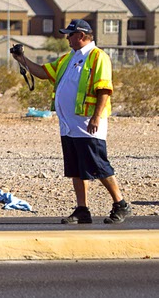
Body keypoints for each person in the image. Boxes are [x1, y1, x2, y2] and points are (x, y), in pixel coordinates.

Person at [11, 19, 131, 224]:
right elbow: (42, 72)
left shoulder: (98, 57)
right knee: (76, 167)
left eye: (70, 34)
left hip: (88, 123)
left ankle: (120, 203)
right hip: (69, 125)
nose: (67, 38)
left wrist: (95, 116)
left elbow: (104, 89)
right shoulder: (69, 58)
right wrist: (22, 59)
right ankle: (82, 209)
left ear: (82, 36)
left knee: (98, 165)